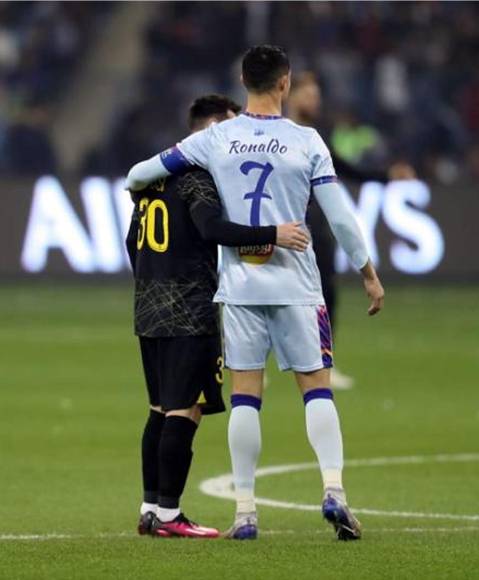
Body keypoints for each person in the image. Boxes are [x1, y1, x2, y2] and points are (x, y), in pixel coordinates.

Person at [126, 45, 385, 541]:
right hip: (298, 285)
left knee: (246, 397)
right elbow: (340, 218)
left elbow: (140, 174)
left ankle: (245, 512)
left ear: (243, 82)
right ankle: (334, 492)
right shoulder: (306, 141)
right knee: (317, 388)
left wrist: (143, 192)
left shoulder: (216, 138)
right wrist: (367, 272)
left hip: (240, 288)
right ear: (285, 83)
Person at [126, 93, 308, 539]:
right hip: (191, 311)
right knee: (183, 411)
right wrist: (273, 234)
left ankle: (150, 507)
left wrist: (155, 280)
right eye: (229, 128)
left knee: (158, 409)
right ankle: (170, 514)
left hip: (148, 308)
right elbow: (210, 228)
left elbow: (133, 242)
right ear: (211, 131)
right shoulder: (198, 178)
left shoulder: (152, 180)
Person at [288, 72, 414, 389]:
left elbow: (344, 168)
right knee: (276, 292)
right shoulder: (281, 132)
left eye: (317, 96)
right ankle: (261, 365)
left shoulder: (316, 134)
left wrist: (386, 175)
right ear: (290, 95)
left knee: (324, 291)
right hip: (284, 223)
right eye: (309, 95)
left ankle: (322, 361)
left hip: (312, 221)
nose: (314, 101)